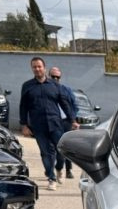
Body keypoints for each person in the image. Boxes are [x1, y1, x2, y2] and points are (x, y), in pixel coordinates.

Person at [19, 56, 77, 191]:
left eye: (39, 66)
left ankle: (59, 168)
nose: (37, 69)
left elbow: (64, 103)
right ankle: (51, 178)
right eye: (34, 67)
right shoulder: (27, 86)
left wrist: (73, 120)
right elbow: (23, 107)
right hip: (38, 126)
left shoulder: (55, 85)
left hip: (56, 124)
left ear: (44, 68)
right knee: (45, 153)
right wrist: (24, 125)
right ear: (32, 69)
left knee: (61, 150)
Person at [49, 66, 78, 181]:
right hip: (52, 122)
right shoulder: (46, 90)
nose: (55, 79)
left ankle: (68, 170)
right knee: (53, 147)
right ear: (49, 76)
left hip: (66, 121)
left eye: (58, 77)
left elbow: (74, 106)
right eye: (53, 77)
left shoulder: (66, 90)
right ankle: (53, 171)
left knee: (66, 146)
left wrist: (72, 119)